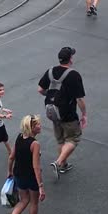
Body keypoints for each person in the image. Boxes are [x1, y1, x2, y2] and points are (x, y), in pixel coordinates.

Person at [38, 47, 87, 181]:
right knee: (73, 138)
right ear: (70, 59)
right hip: (68, 113)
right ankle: (59, 162)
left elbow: (40, 89)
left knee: (61, 139)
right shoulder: (73, 75)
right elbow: (79, 99)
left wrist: (50, 95)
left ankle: (64, 165)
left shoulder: (50, 71)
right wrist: (84, 114)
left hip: (53, 112)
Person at [8, 115, 45, 214]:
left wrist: (9, 171)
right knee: (34, 202)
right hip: (31, 178)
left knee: (24, 200)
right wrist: (41, 186)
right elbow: (36, 167)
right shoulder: (35, 144)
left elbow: (11, 157)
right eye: (37, 124)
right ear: (32, 127)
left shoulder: (19, 137)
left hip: (18, 175)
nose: (40, 126)